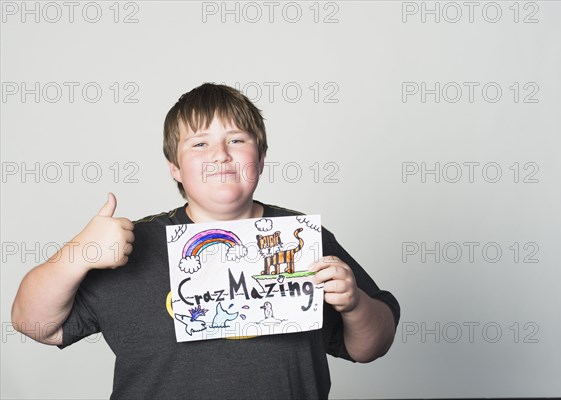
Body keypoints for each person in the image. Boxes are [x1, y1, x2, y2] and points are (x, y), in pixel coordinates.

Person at [11, 83, 400, 399]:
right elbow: (35, 325)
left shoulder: (303, 237)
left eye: (237, 140)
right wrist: (79, 253)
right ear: (175, 168)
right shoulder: (131, 245)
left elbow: (371, 346)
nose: (220, 155)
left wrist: (354, 303)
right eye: (199, 144)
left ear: (260, 158)